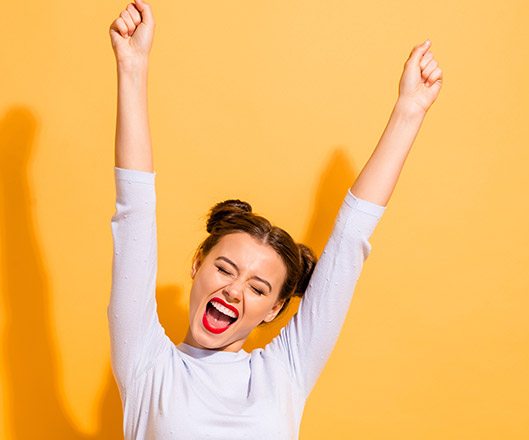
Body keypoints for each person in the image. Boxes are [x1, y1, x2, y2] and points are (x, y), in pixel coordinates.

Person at [107, 1, 443, 438]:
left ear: (275, 309)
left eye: (258, 287)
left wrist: (409, 111)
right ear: (197, 265)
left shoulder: (284, 370)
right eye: (225, 268)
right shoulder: (146, 364)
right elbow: (134, 213)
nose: (233, 289)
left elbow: (349, 242)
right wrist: (132, 67)